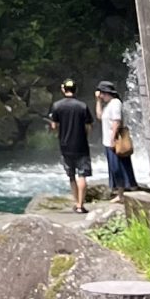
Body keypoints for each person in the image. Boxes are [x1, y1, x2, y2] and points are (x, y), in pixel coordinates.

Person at [49, 77, 94, 211]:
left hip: (65, 146)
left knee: (71, 175)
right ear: (75, 90)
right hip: (81, 145)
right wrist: (85, 136)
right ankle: (81, 204)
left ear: (63, 89)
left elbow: (54, 125)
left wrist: (58, 132)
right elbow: (89, 126)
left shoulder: (57, 106)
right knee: (82, 175)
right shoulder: (82, 106)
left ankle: (76, 202)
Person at [96, 81, 138, 192]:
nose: (100, 96)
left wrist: (112, 139)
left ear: (106, 93)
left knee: (119, 167)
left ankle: (123, 192)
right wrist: (98, 101)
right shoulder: (109, 105)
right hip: (108, 141)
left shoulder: (115, 103)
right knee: (115, 167)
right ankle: (120, 192)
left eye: (101, 93)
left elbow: (116, 122)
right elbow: (100, 116)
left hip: (115, 141)